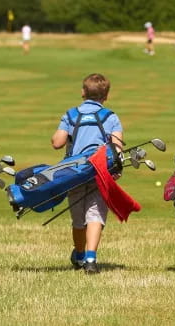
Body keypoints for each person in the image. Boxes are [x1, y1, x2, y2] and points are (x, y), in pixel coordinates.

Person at [51, 73, 123, 274]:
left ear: (83, 92)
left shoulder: (71, 115)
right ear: (106, 96)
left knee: (78, 219)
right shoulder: (110, 117)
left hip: (74, 173)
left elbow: (57, 143)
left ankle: (80, 255)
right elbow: (117, 148)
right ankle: (91, 258)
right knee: (95, 215)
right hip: (100, 172)